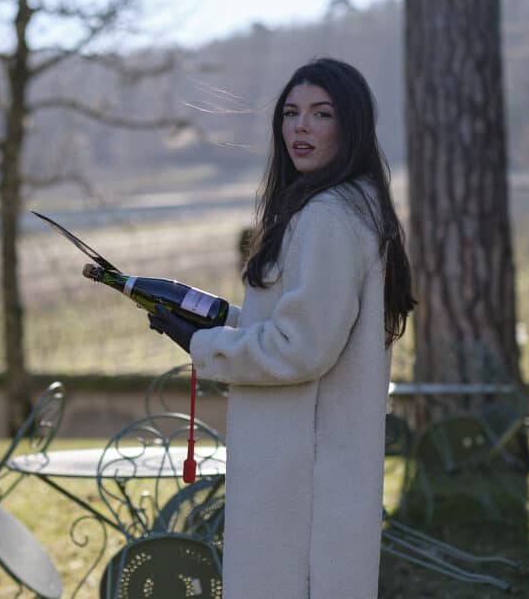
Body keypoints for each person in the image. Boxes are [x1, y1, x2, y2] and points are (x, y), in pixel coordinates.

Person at [149, 57, 416, 598]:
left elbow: (300, 349)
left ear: (352, 125)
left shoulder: (329, 216)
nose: (301, 127)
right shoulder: (349, 207)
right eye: (291, 113)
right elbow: (303, 326)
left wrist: (202, 344)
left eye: (321, 113)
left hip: (301, 480)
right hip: (311, 469)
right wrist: (222, 322)